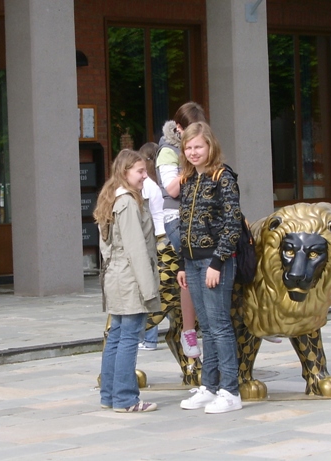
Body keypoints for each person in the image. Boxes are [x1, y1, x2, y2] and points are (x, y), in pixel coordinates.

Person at [176, 121, 243, 414]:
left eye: (198, 147)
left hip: (215, 261)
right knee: (206, 327)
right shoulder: (189, 179)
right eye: (188, 147)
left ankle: (230, 391)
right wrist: (182, 263)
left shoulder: (222, 177)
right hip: (192, 262)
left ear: (210, 147)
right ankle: (210, 386)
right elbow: (183, 224)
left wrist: (217, 261)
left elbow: (232, 223)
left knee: (219, 326)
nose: (193, 152)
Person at [94, 149, 160, 413]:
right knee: (129, 337)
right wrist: (149, 290)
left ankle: (109, 396)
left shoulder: (111, 197)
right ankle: (125, 399)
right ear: (125, 172)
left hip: (116, 276)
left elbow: (107, 248)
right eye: (140, 171)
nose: (145, 176)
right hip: (130, 279)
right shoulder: (128, 203)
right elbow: (136, 250)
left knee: (117, 336)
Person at [155, 101, 206, 358]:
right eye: (188, 130)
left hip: (202, 213)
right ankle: (188, 330)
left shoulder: (202, 145)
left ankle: (252, 314)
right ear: (178, 127)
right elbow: (172, 189)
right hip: (176, 217)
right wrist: (193, 163)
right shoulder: (168, 151)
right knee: (192, 262)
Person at [138, 142, 164, 351]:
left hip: (154, 239)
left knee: (150, 289)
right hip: (160, 237)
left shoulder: (147, 186)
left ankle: (149, 338)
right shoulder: (157, 183)